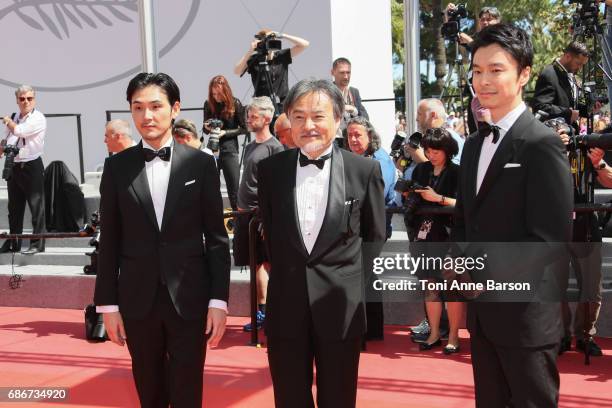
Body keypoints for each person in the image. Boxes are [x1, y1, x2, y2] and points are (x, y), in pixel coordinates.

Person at [451, 24, 573, 407]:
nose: (483, 80)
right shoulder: (472, 146)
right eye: (476, 70)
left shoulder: (542, 144)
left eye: (496, 69)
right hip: (484, 318)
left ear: (523, 75)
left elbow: (550, 242)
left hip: (527, 318)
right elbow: (466, 221)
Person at [94, 72, 231, 408]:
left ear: (175, 109)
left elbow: (216, 238)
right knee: (148, 387)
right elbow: (109, 240)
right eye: (138, 108)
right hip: (137, 298)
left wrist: (219, 301)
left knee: (188, 389)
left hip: (190, 297)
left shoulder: (201, 164)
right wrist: (107, 306)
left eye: (156, 106)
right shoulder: (116, 168)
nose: (147, 116)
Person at [258, 79, 386, 407]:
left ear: (338, 120)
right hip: (286, 307)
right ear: (287, 120)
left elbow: (374, 238)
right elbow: (271, 235)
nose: (308, 126)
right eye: (298, 117)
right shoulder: (270, 171)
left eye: (318, 116)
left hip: (341, 308)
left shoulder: (364, 170)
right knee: (289, 398)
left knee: (339, 399)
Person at [404, 128, 463, 354]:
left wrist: (438, 199)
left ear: (447, 150)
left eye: (436, 151)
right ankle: (434, 332)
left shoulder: (458, 172)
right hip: (425, 234)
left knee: (453, 287)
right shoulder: (420, 169)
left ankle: (455, 335)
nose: (431, 155)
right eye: (428, 151)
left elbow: (465, 204)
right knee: (430, 285)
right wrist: (410, 195)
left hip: (450, 235)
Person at [234, 96, 284, 332]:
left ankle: (265, 312)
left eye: (253, 116)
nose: (249, 119)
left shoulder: (274, 148)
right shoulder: (251, 145)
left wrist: (265, 215)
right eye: (248, 115)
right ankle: (262, 311)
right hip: (244, 214)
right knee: (254, 265)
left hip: (259, 216)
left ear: (267, 118)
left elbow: (276, 184)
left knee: (263, 264)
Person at [346, 116, 396, 342]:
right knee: (369, 277)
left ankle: (368, 329)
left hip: (372, 228)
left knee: (365, 277)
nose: (353, 139)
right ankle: (371, 329)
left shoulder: (379, 160)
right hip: (357, 228)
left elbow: (380, 194)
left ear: (370, 136)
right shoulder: (354, 158)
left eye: (358, 135)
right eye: (350, 135)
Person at [0, 85, 46, 254]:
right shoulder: (14, 116)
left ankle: (37, 244)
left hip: (31, 165)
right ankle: (14, 242)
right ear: (17, 100)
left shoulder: (38, 118)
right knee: (14, 208)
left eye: (29, 98)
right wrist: (2, 147)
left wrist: (9, 122)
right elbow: (8, 136)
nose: (26, 102)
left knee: (36, 207)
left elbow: (19, 131)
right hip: (14, 165)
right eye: (22, 99)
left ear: (34, 99)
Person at [445, 4, 502, 134]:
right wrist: (449, 17)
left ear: (498, 21)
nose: (485, 22)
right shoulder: (478, 37)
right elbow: (453, 35)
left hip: (490, 88)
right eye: (482, 19)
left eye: (489, 19)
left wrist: (470, 42)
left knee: (488, 128)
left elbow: (490, 55)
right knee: (473, 127)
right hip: (474, 88)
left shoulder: (501, 37)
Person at [234, 30, 309, 110]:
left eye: (272, 40)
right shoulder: (255, 59)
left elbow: (304, 44)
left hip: (282, 104)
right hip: (261, 106)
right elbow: (237, 71)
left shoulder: (281, 56)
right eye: (267, 41)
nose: (270, 43)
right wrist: (251, 50)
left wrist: (283, 35)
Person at [202, 75, 247, 210]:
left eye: (219, 93)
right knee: (211, 191)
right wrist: (207, 127)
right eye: (213, 93)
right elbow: (205, 131)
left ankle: (239, 226)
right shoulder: (208, 104)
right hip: (212, 150)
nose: (216, 97)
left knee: (234, 191)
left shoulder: (235, 103)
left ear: (225, 91)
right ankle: (215, 226)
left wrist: (225, 133)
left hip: (230, 150)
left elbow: (244, 129)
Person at [531, 41, 589, 126]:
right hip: (555, 134)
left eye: (582, 65)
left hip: (570, 134)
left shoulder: (571, 77)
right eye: (578, 63)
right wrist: (568, 113)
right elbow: (540, 107)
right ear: (568, 56)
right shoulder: (549, 74)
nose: (580, 68)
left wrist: (589, 109)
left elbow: (572, 107)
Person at [331, 57, 369, 128]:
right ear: (332, 73)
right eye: (342, 73)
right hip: (335, 137)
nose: (346, 77)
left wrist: (353, 110)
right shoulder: (327, 92)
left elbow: (365, 118)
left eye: (348, 72)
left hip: (351, 136)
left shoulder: (354, 92)